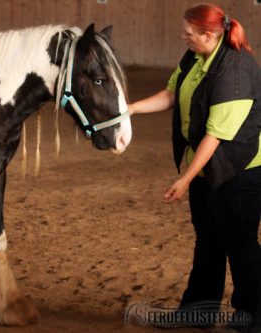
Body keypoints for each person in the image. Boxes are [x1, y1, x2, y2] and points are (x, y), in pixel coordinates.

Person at [128, 3, 261, 331]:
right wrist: (130, 109)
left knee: (241, 243)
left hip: (238, 170)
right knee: (209, 240)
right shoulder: (195, 57)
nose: (183, 36)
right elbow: (171, 94)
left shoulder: (235, 69)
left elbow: (216, 134)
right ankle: (197, 311)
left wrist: (185, 178)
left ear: (209, 35)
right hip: (206, 169)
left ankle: (254, 316)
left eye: (189, 33)